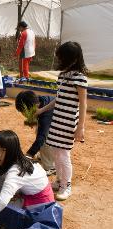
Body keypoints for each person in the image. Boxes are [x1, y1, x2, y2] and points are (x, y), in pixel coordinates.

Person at [0, 130, 55, 228]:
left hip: (40, 206)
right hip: (27, 193)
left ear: (12, 151)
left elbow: (2, 200)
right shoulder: (16, 159)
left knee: (3, 205)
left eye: (3, 150)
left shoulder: (16, 170)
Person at [40, 41, 88, 201]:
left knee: (63, 155)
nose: (59, 60)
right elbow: (58, 99)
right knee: (55, 152)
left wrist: (81, 127)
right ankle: (59, 181)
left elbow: (83, 104)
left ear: (72, 58)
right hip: (57, 121)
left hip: (68, 123)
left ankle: (66, 186)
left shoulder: (80, 78)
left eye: (62, 57)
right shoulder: (62, 76)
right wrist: (42, 109)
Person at [15, 90, 55, 176]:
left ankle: (50, 167)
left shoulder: (45, 116)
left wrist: (29, 155)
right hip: (52, 117)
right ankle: (43, 156)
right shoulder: (37, 101)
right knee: (39, 132)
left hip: (63, 122)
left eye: (23, 111)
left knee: (44, 140)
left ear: (33, 107)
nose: (23, 114)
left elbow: (41, 137)